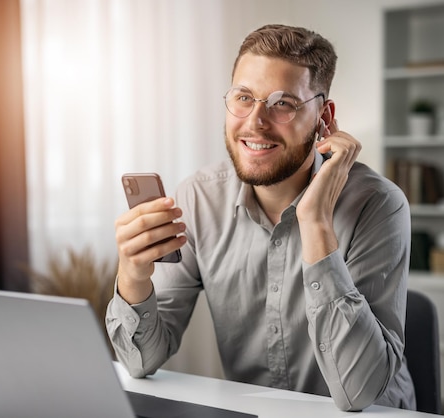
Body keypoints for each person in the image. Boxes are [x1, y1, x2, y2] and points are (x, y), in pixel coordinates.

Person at [106, 24, 415, 412]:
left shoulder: (378, 205)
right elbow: (140, 362)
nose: (255, 121)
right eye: (244, 97)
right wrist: (133, 276)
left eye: (283, 103)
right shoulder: (199, 199)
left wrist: (316, 222)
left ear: (324, 114)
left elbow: (358, 393)